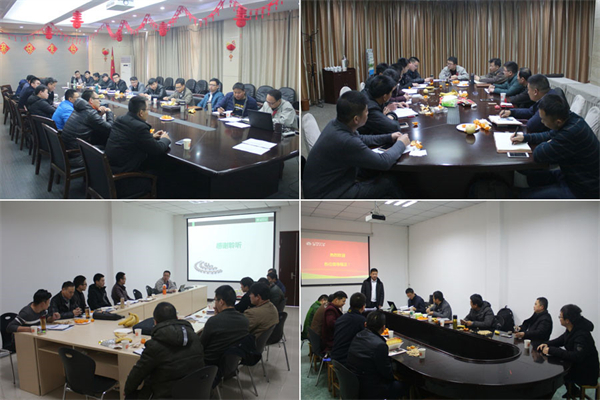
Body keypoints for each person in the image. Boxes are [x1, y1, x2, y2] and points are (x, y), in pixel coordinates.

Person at [303, 90, 409, 199]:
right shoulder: (346, 140)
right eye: (366, 111)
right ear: (356, 119)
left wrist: (389, 137)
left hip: (328, 184)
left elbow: (361, 138)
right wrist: (401, 143)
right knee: (388, 182)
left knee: (373, 171)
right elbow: (384, 162)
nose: (368, 114)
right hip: (328, 195)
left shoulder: (335, 124)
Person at [511, 94, 599, 198]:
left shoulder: (570, 133)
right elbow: (550, 134)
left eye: (543, 120)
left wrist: (550, 141)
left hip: (582, 189)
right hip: (569, 175)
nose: (541, 122)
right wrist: (526, 137)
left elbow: (538, 154)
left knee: (524, 196)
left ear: (558, 122)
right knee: (530, 177)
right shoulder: (571, 118)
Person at [124, 302, 204, 400]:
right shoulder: (194, 337)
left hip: (166, 395)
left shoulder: (154, 346)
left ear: (155, 322)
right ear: (177, 318)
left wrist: (127, 390)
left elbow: (137, 374)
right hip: (195, 391)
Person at [105, 96, 170, 196]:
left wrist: (150, 136)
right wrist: (165, 139)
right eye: (147, 109)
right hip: (123, 180)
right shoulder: (140, 127)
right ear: (141, 113)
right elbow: (158, 149)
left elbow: (131, 136)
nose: (148, 112)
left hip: (110, 171)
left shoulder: (120, 119)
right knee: (163, 170)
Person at [537, 304, 599, 397]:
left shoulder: (581, 335)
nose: (559, 319)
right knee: (556, 366)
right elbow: (561, 340)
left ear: (567, 320)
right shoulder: (572, 329)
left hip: (587, 372)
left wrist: (551, 350)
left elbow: (577, 356)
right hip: (578, 366)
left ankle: (548, 395)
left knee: (556, 374)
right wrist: (547, 344)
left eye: (560, 317)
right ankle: (573, 390)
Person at [346, 311, 406, 399]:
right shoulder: (380, 345)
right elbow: (387, 374)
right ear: (383, 328)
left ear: (365, 324)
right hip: (371, 389)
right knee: (405, 385)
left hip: (354, 383)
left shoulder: (358, 335)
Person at [61, 90, 114, 165]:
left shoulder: (78, 109)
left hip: (68, 150)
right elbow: (109, 128)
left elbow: (88, 120)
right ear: (91, 100)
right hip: (77, 155)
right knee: (109, 146)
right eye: (98, 99)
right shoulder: (90, 113)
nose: (99, 101)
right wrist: (109, 113)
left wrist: (98, 114)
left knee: (101, 138)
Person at [200, 285, 249, 366]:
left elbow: (201, 344)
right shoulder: (245, 320)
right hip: (231, 364)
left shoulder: (213, 321)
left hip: (211, 362)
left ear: (221, 302)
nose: (215, 303)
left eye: (215, 300)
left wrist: (216, 317)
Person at [331, 292, 367, 364]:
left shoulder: (341, 318)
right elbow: (366, 341)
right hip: (346, 359)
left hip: (335, 356)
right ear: (363, 307)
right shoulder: (361, 320)